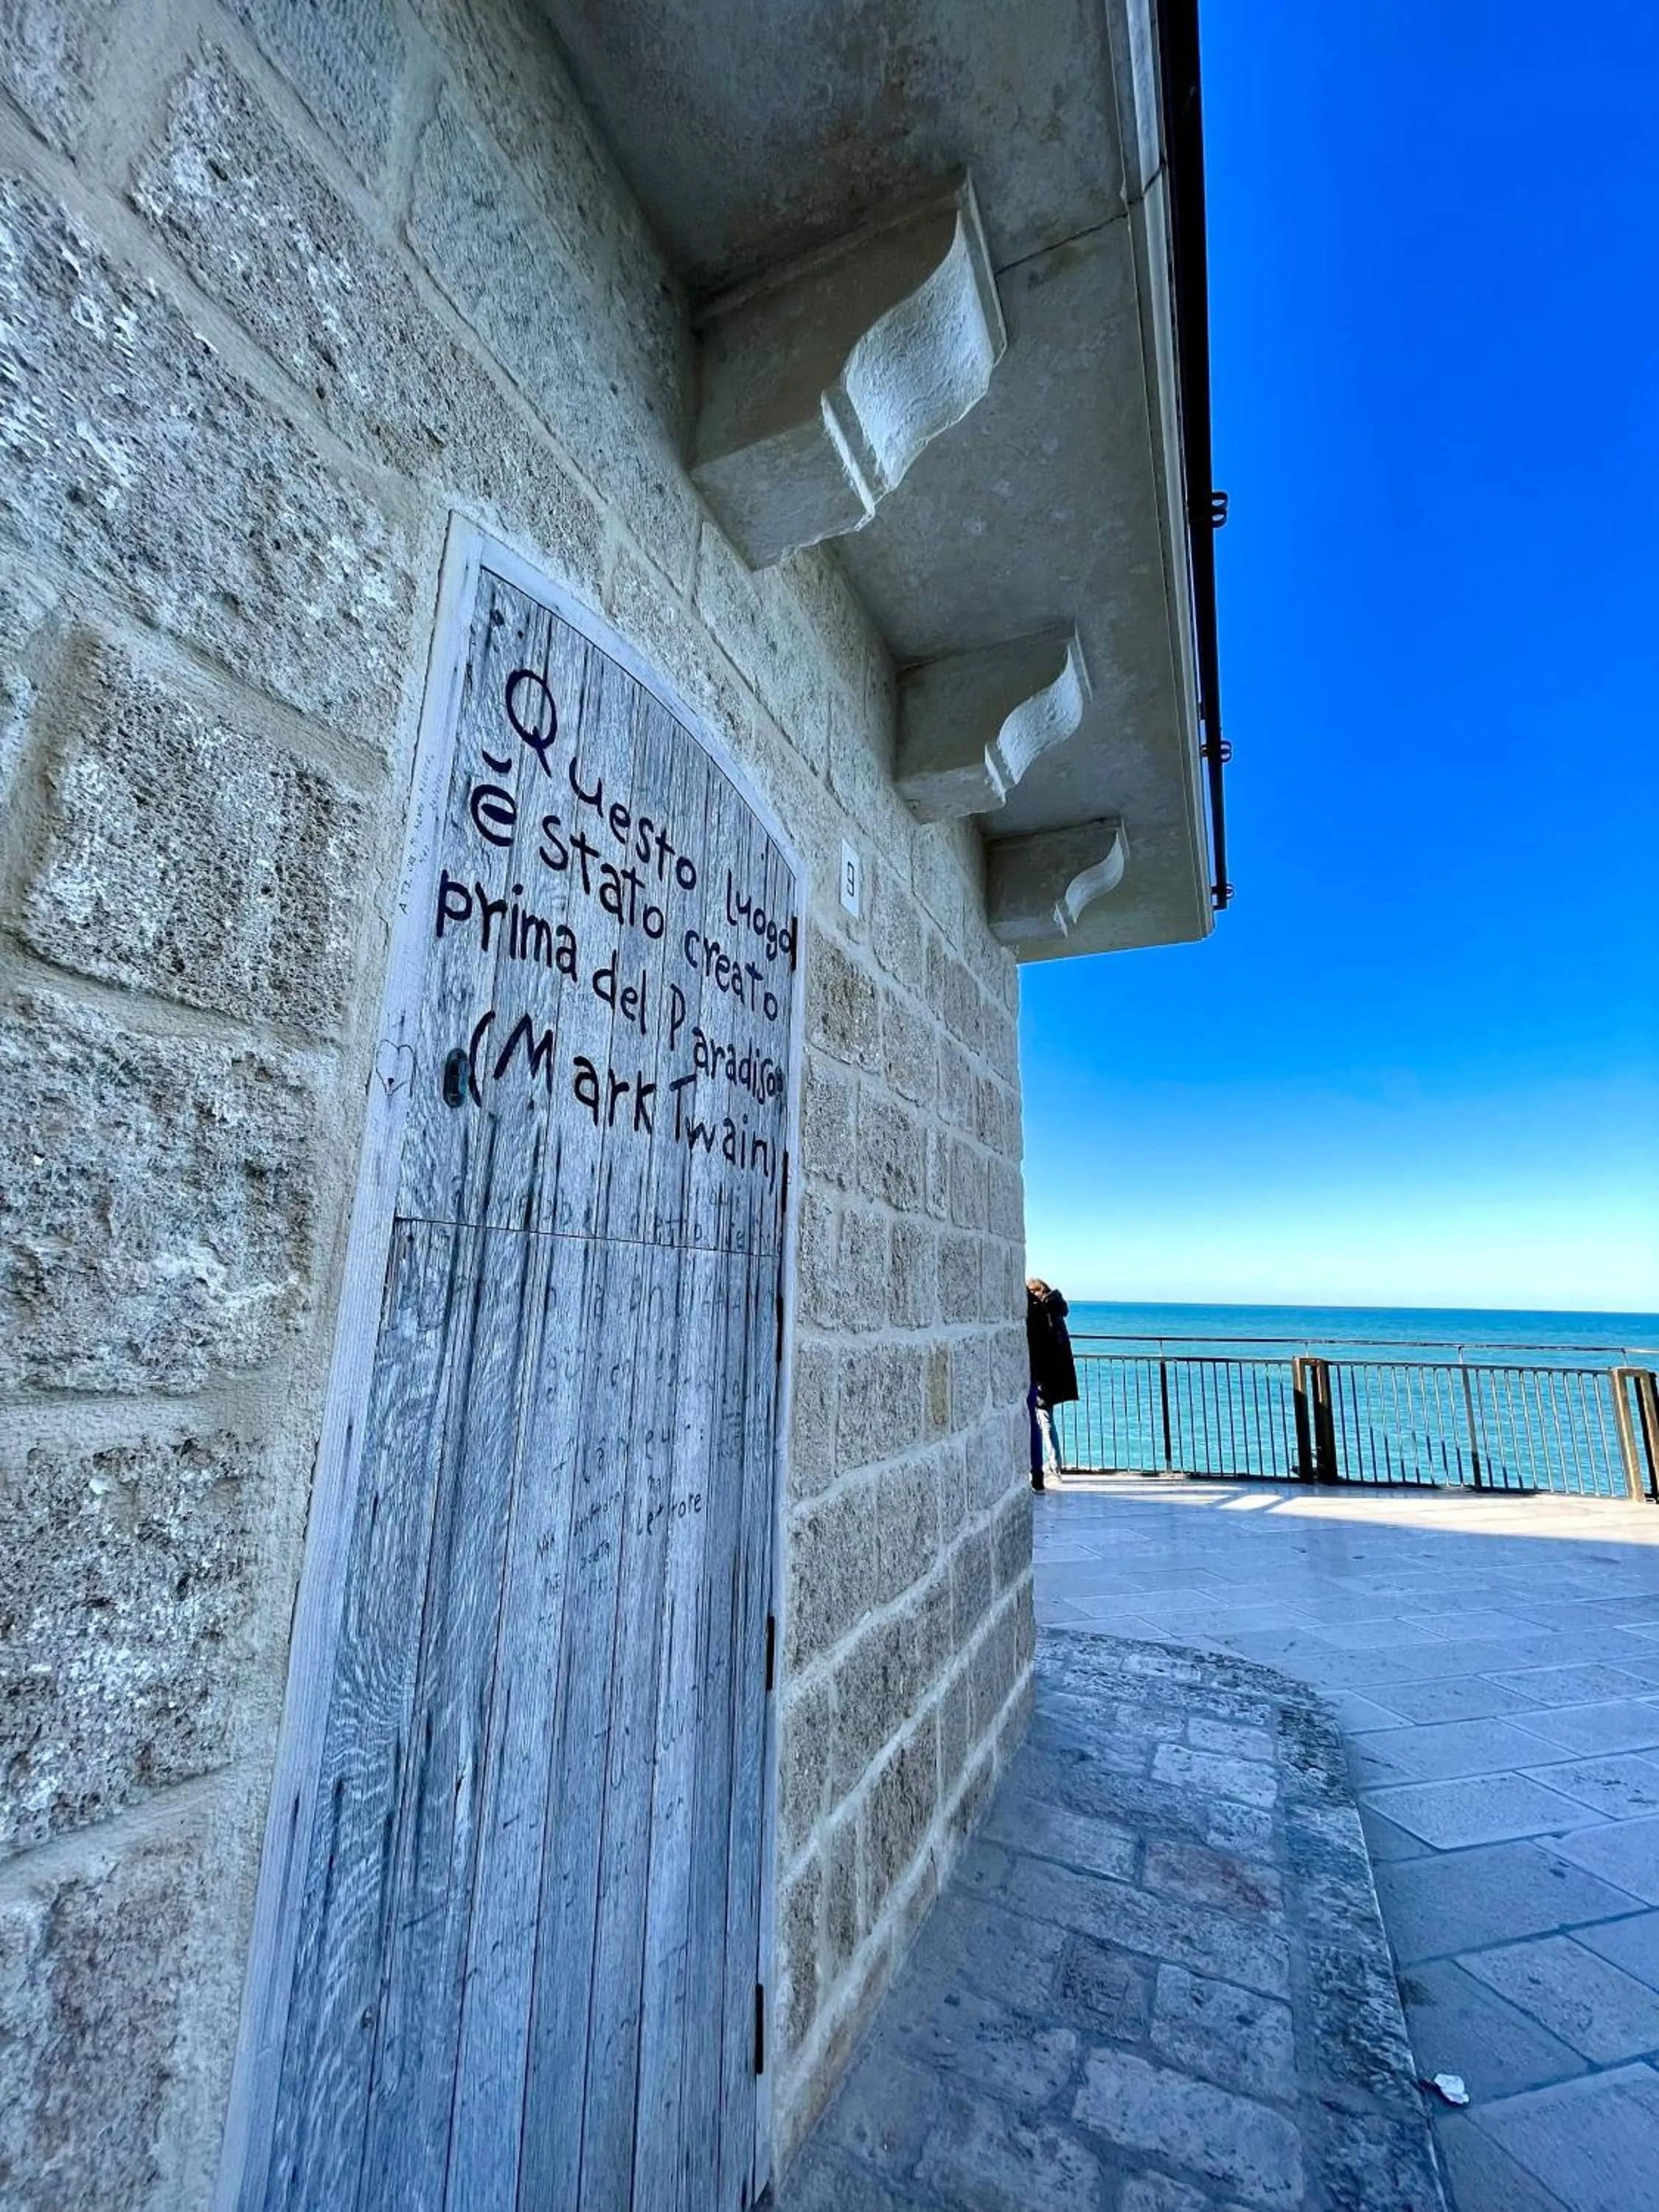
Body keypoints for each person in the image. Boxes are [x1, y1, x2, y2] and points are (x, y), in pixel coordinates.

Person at [1025, 1277, 1078, 1489]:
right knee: (1047, 1421)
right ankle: (1055, 1466)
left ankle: (1052, 1467)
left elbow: (1041, 1345)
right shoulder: (1055, 1309)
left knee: (1043, 1422)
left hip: (1044, 1374)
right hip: (1056, 1373)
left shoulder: (1042, 1311)